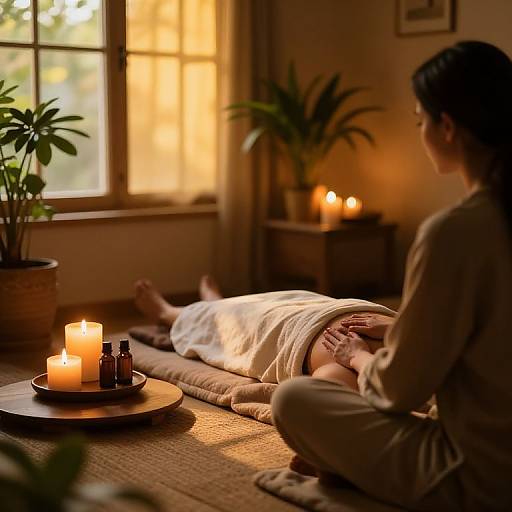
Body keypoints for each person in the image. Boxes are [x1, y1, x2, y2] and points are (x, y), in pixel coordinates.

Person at [270, 41, 512, 511]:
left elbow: (399, 391)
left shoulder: (455, 231)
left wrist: (359, 354)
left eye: (420, 120)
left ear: (446, 127)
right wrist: (402, 326)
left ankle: (346, 466)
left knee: (294, 398)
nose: (420, 131)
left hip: (479, 476)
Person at [134, 275, 396, 387]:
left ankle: (170, 314)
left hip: (294, 336)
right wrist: (395, 326)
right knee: (282, 298)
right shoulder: (432, 353)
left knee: (246, 320)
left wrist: (357, 357)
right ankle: (214, 305)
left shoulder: (349, 380)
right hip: (335, 309)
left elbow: (316, 397)